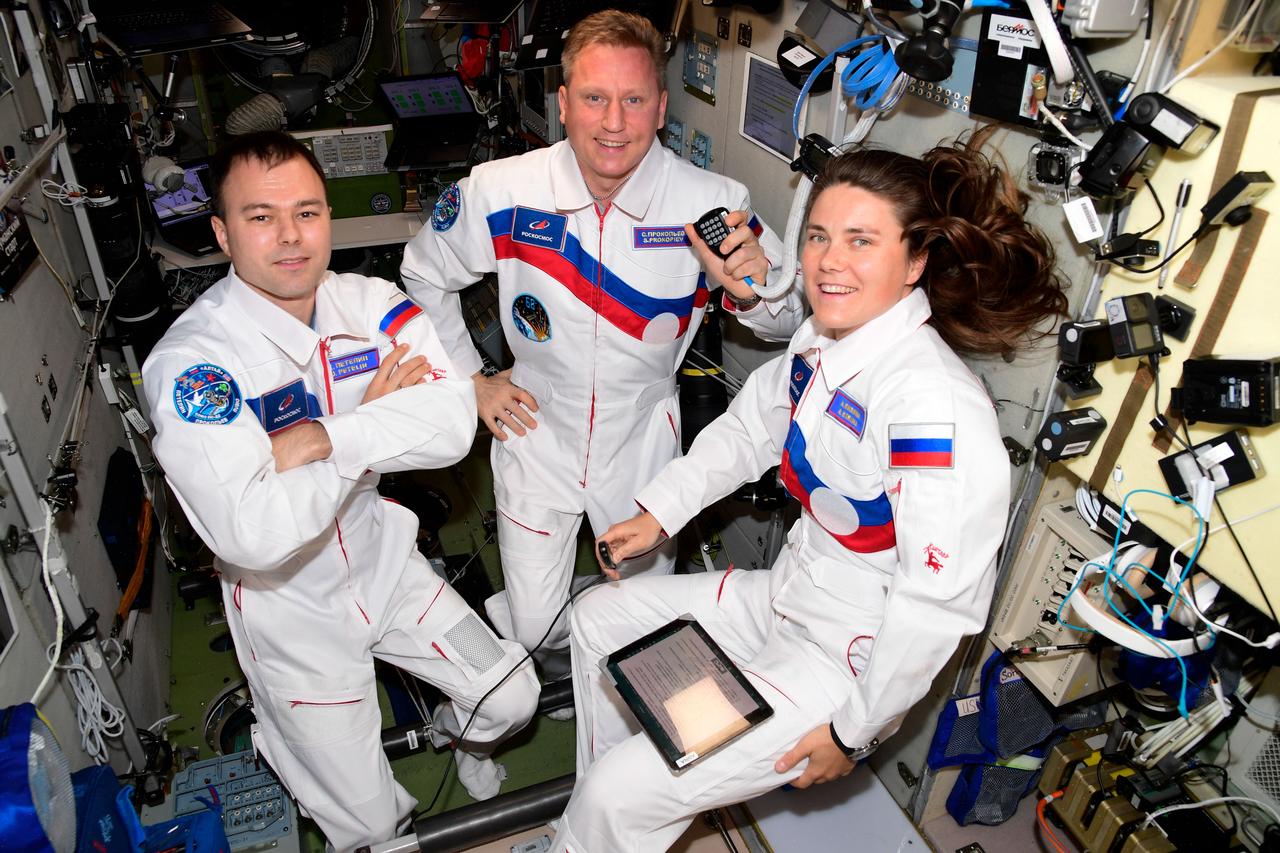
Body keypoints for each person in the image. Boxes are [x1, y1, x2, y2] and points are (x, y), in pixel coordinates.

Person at [554, 128, 1070, 851]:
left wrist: (852, 733)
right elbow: (750, 430)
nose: (829, 261)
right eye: (820, 236)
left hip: (845, 655)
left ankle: (611, 809)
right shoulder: (823, 341)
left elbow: (934, 605)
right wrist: (659, 512)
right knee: (597, 619)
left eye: (862, 241)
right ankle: (619, 806)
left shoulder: (931, 405)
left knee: (619, 795)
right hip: (785, 597)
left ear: (916, 260)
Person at [141, 132, 539, 852]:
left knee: (512, 696)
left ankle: (458, 741)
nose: (291, 237)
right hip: (290, 613)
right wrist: (372, 424)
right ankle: (296, 745)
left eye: (308, 211)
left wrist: (322, 437)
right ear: (222, 234)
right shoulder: (195, 366)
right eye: (261, 217)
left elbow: (451, 428)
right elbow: (254, 531)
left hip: (385, 564)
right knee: (371, 825)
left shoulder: (372, 301)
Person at [400, 10, 804, 675]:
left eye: (633, 99)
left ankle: (612, 677)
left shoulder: (711, 201)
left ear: (661, 106)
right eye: (594, 98)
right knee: (535, 627)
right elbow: (423, 273)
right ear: (563, 102)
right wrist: (471, 380)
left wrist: (750, 289)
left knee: (644, 628)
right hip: (536, 434)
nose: (613, 121)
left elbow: (790, 325)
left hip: (641, 443)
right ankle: (557, 655)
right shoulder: (504, 191)